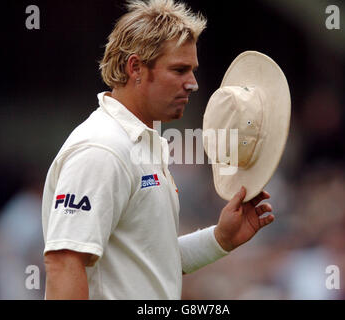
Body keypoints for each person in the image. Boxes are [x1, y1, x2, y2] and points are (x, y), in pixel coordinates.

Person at [42, 0, 274, 300]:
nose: (192, 84)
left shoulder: (140, 144)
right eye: (179, 70)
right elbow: (63, 263)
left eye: (192, 70)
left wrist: (220, 239)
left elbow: (148, 265)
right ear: (135, 67)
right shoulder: (102, 148)